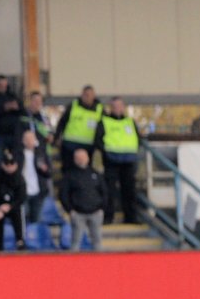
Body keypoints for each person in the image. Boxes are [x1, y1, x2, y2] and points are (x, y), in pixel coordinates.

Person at [99, 97, 142, 225]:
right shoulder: (104, 121)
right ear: (110, 108)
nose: (117, 108)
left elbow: (137, 138)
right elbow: (98, 140)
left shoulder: (130, 122)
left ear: (123, 107)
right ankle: (108, 217)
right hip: (111, 160)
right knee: (109, 191)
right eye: (114, 106)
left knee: (129, 191)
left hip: (128, 161)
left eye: (119, 106)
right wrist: (106, 153)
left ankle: (130, 218)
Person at [58, 147, 107, 250]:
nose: (81, 160)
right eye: (78, 158)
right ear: (74, 159)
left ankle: (100, 264)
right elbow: (63, 194)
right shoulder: (70, 175)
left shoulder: (95, 174)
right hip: (78, 213)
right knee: (75, 242)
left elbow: (104, 192)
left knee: (97, 241)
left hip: (95, 212)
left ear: (88, 158)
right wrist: (70, 210)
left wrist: (102, 208)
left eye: (83, 157)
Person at [0, 152, 27, 251]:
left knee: (18, 212)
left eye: (12, 164)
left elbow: (21, 197)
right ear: (2, 164)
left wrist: (10, 206)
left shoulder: (19, 178)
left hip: (12, 206)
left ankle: (20, 240)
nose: (10, 166)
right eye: (7, 164)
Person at [58, 85, 104, 168]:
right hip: (69, 145)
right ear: (82, 95)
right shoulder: (73, 106)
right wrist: (57, 137)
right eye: (85, 94)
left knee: (85, 171)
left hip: (88, 146)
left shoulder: (100, 109)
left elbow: (103, 128)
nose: (87, 97)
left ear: (94, 95)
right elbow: (62, 122)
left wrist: (99, 144)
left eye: (90, 95)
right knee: (68, 170)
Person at [18, 127, 53, 234]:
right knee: (23, 219)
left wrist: (45, 169)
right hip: (23, 192)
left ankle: (35, 241)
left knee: (36, 220)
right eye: (27, 139)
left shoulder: (41, 154)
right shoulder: (18, 154)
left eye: (31, 139)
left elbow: (49, 173)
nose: (29, 141)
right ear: (23, 141)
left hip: (38, 192)